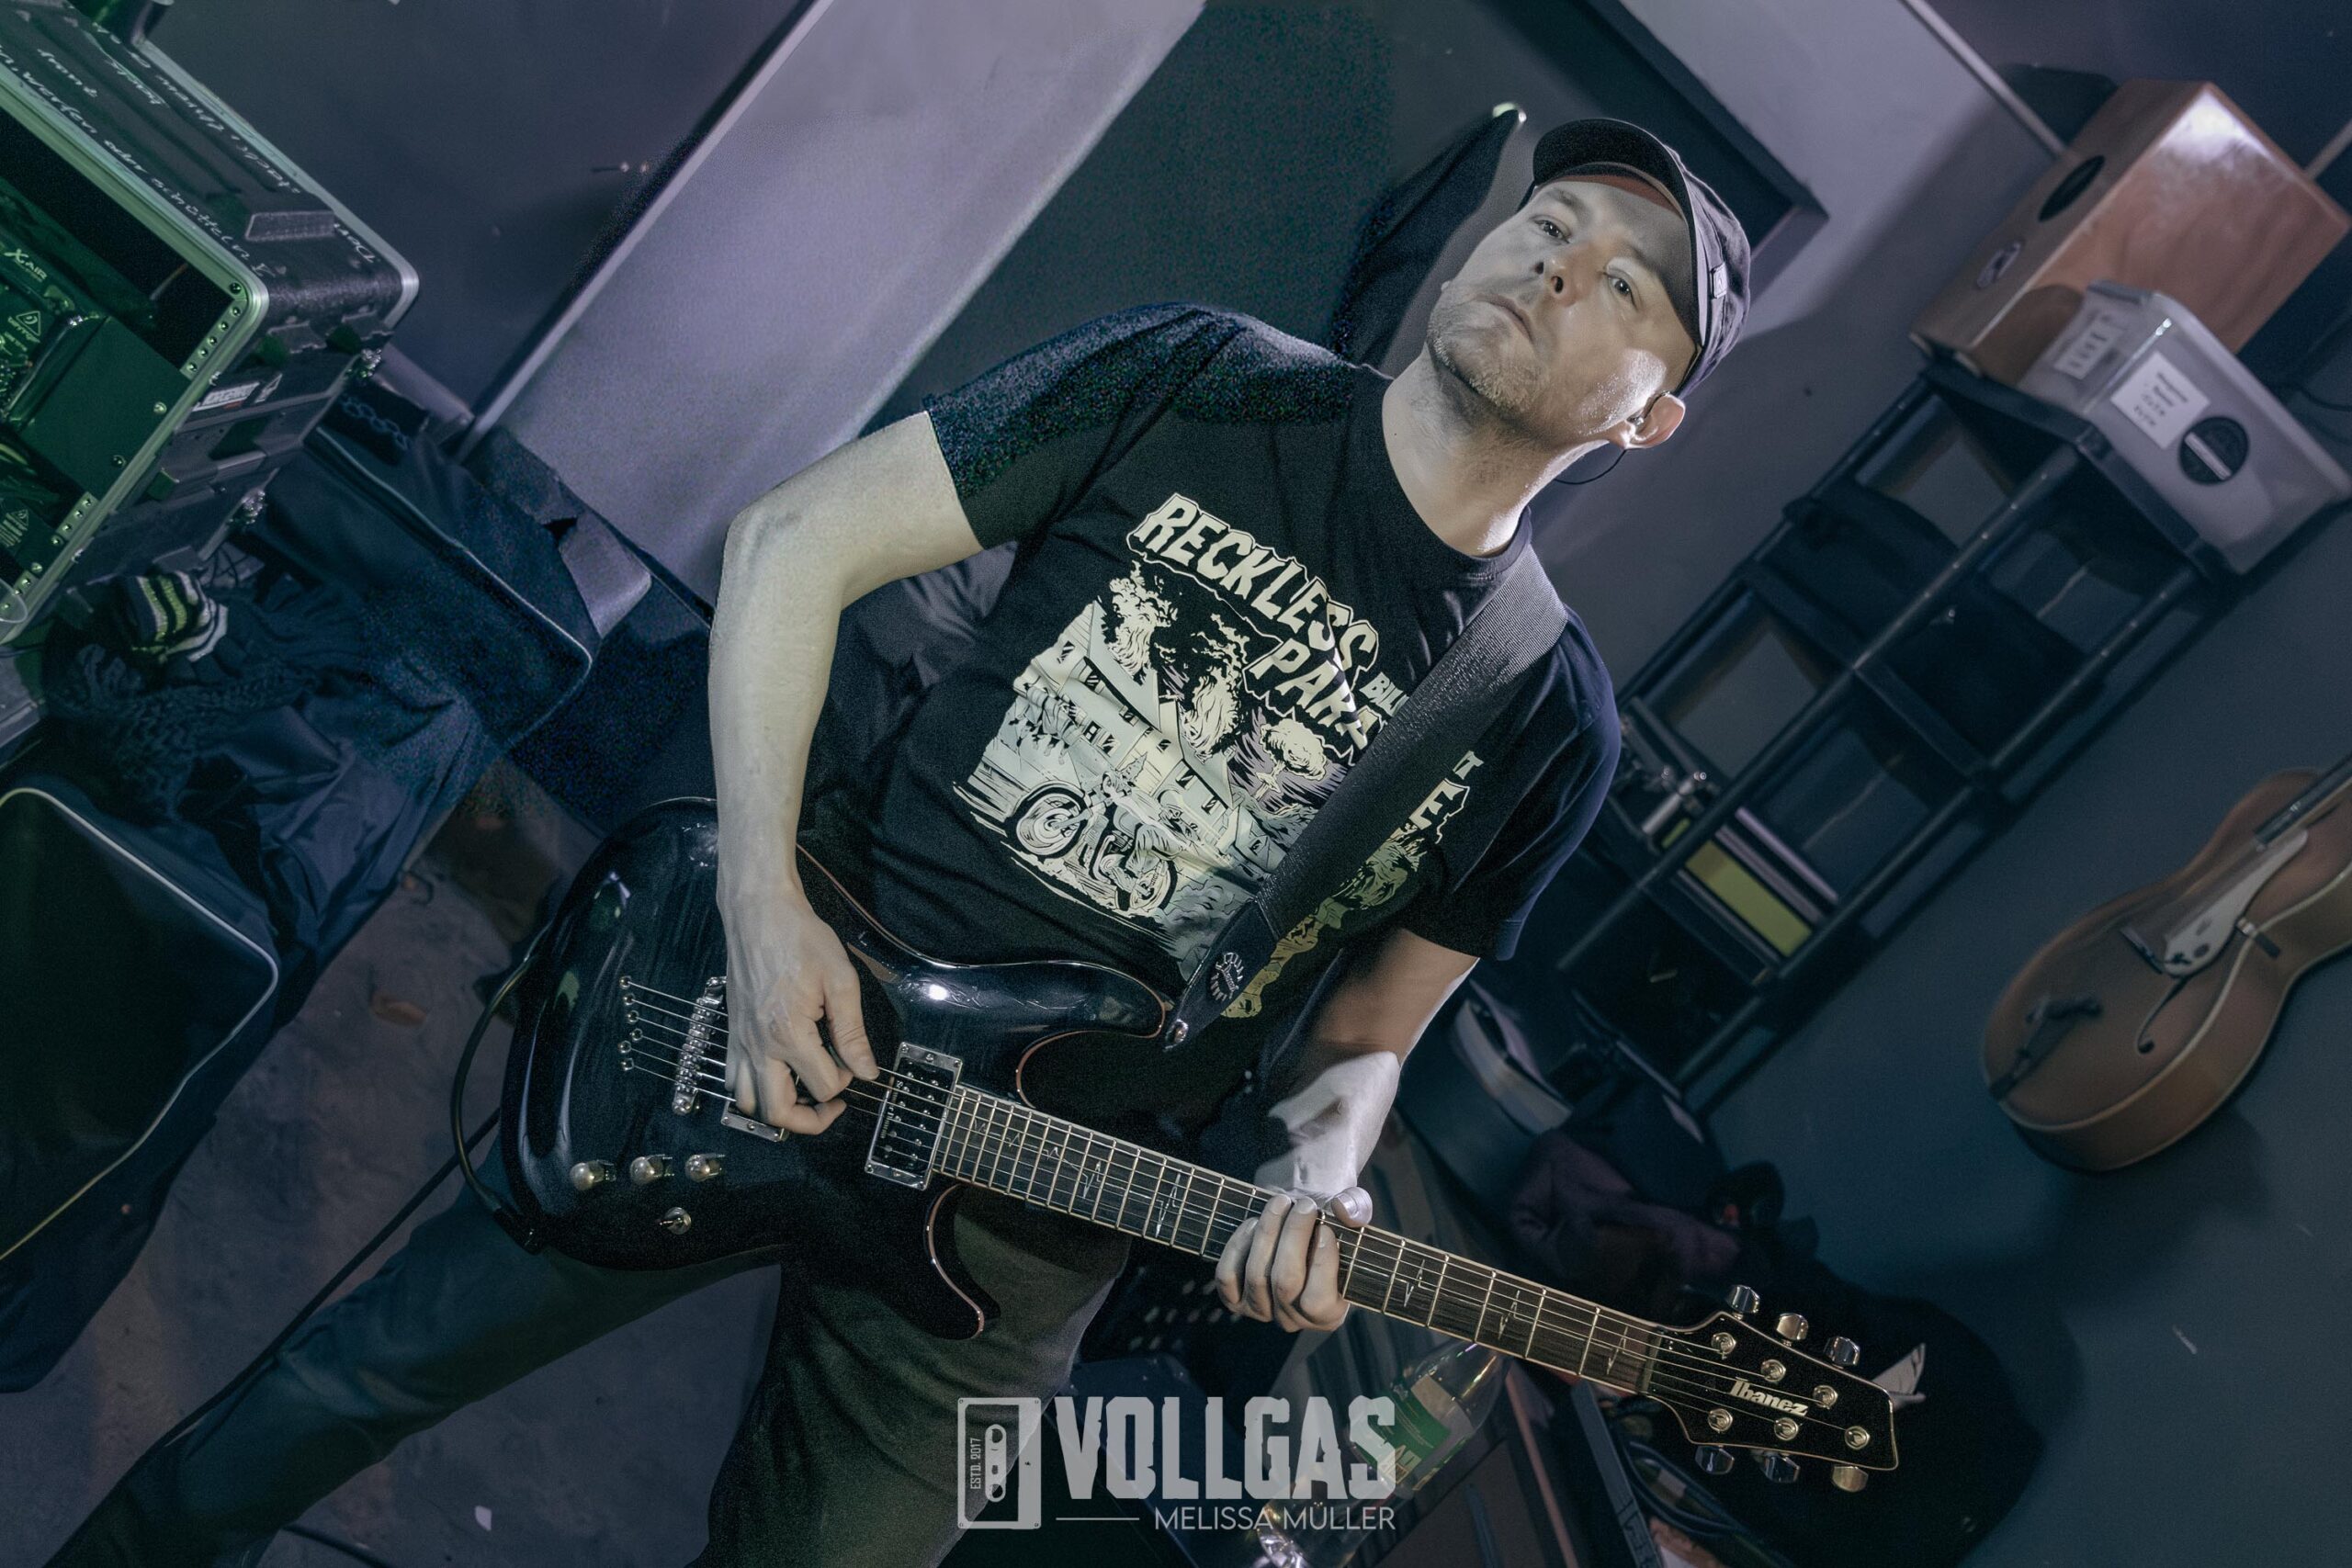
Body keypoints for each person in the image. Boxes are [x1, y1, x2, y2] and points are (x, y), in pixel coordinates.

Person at [49, 117, 1748, 1567]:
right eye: (1550, 221)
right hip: (775, 1010)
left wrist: (1317, 1172)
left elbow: (1371, 1034)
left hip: (1031, 1224)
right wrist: (761, 903)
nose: (1557, 264)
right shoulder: (1202, 377)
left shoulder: (1541, 715)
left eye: (1626, 285)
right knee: (352, 1385)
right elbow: (797, 540)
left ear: (1651, 417)